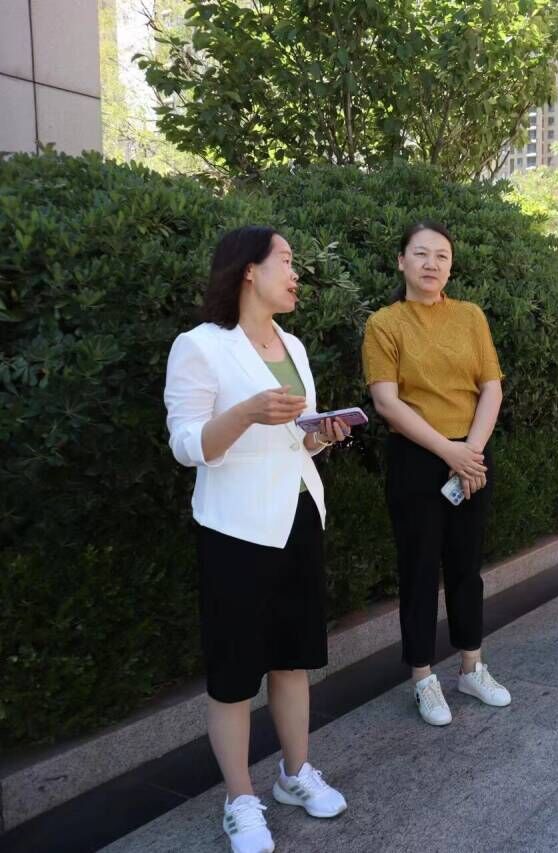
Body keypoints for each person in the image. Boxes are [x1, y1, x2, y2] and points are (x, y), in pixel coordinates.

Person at [165, 226, 350, 853]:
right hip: (235, 528)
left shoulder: (292, 344)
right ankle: (239, 799)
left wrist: (321, 434)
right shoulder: (200, 345)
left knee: (293, 658)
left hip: (297, 515)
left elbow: (297, 437)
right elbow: (186, 445)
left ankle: (295, 774)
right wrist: (245, 412)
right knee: (235, 671)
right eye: (287, 262)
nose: (296, 274)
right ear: (249, 269)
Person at [362, 220, 511, 728]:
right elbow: (387, 401)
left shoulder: (470, 316)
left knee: (467, 568)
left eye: (442, 256)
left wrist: (471, 451)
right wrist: (449, 451)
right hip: (418, 459)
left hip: (471, 454)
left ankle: (471, 667)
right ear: (401, 261)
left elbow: (491, 387)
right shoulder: (385, 324)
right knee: (420, 570)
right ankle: (423, 677)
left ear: (451, 266)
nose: (432, 264)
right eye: (421, 253)